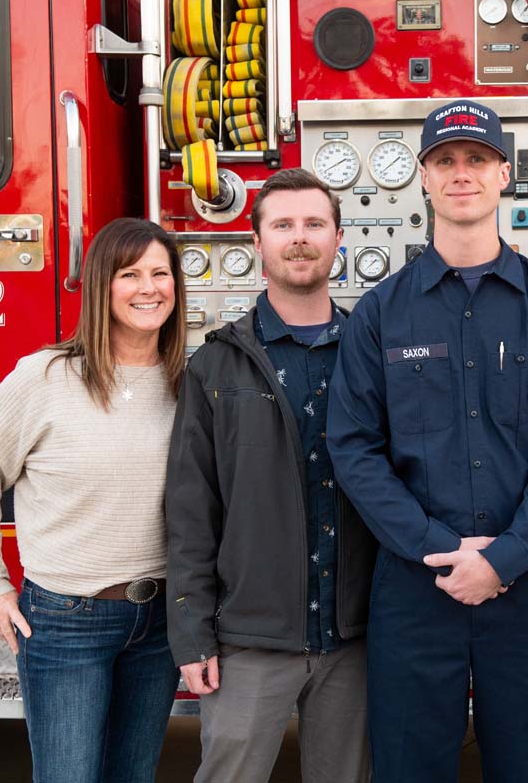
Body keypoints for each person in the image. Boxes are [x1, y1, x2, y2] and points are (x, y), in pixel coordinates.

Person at [326, 99, 528, 783]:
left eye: (476, 159)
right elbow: (354, 447)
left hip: (523, 588)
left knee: (527, 768)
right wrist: (438, 546)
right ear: (422, 178)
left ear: (504, 173)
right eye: (444, 161)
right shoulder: (380, 313)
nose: (461, 174)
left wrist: (505, 558)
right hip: (416, 591)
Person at [0, 217, 187, 783]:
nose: (148, 287)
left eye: (161, 273)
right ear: (102, 284)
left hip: (159, 622)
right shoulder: (45, 378)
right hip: (65, 621)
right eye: (130, 274)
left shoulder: (191, 382)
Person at [165, 167, 376, 783]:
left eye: (314, 223)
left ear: (339, 239)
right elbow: (190, 513)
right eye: (282, 225)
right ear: (256, 244)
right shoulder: (214, 366)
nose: (299, 237)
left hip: (352, 639)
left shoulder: (373, 354)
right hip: (249, 642)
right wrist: (192, 634)